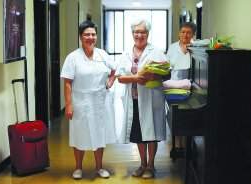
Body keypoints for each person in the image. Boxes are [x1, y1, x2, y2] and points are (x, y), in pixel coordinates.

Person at [60, 20, 116, 179]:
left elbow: (115, 69)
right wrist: (69, 105)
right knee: (80, 134)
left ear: (96, 36)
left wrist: (110, 82)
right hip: (80, 101)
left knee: (99, 134)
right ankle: (78, 168)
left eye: (93, 34)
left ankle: (99, 167)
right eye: (86, 34)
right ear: (80, 37)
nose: (90, 37)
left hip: (100, 101)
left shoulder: (102, 54)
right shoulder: (73, 57)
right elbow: (68, 83)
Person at [116, 19, 167, 179]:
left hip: (152, 99)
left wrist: (154, 74)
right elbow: (120, 78)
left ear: (148, 34)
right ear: (132, 34)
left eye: (143, 32)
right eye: (136, 32)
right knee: (138, 133)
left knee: (151, 132)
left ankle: (151, 166)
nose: (139, 35)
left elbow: (166, 73)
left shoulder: (156, 51)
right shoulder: (126, 54)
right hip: (134, 99)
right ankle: (142, 164)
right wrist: (136, 78)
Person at [166, 22, 196, 157]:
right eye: (183, 32)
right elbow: (167, 66)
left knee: (187, 118)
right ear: (179, 33)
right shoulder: (172, 47)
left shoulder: (195, 48)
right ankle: (177, 145)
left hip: (190, 86)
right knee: (175, 117)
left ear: (193, 34)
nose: (185, 35)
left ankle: (186, 144)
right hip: (173, 85)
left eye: (188, 32)